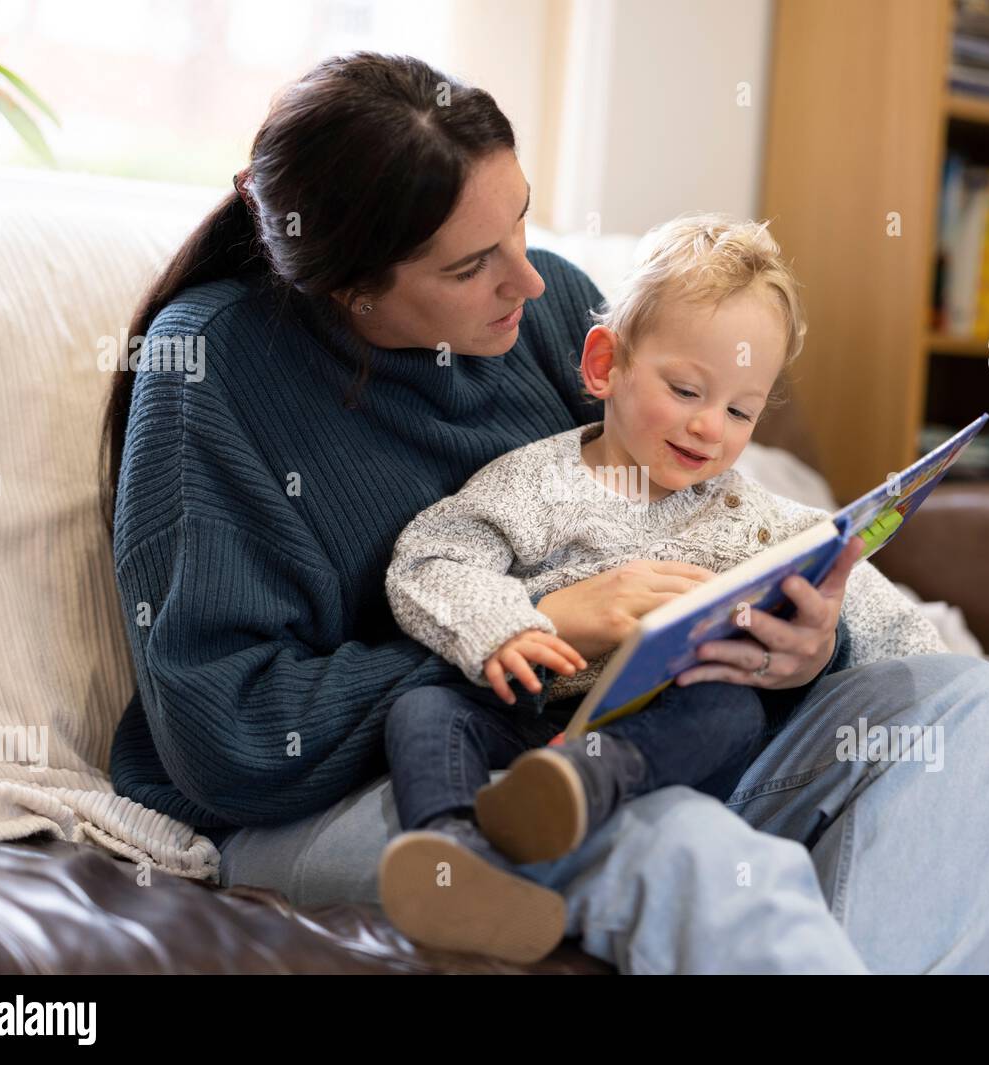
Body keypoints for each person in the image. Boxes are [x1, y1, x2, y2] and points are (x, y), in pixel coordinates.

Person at [102, 52, 989, 974]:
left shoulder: (541, 320)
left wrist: (802, 645)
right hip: (365, 793)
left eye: (521, 221)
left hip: (599, 740)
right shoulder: (214, 371)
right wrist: (544, 623)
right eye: (474, 265)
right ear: (353, 285)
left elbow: (677, 505)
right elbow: (227, 737)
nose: (532, 279)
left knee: (971, 708)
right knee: (679, 846)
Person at [378, 212, 953, 964]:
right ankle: (453, 855)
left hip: (654, 741)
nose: (710, 426)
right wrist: (509, 622)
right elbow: (428, 558)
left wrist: (933, 670)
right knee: (423, 707)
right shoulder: (535, 480)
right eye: (685, 389)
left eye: (742, 410)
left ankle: (585, 783)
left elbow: (885, 620)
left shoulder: (757, 519)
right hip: (522, 713)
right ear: (604, 364)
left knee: (728, 706)